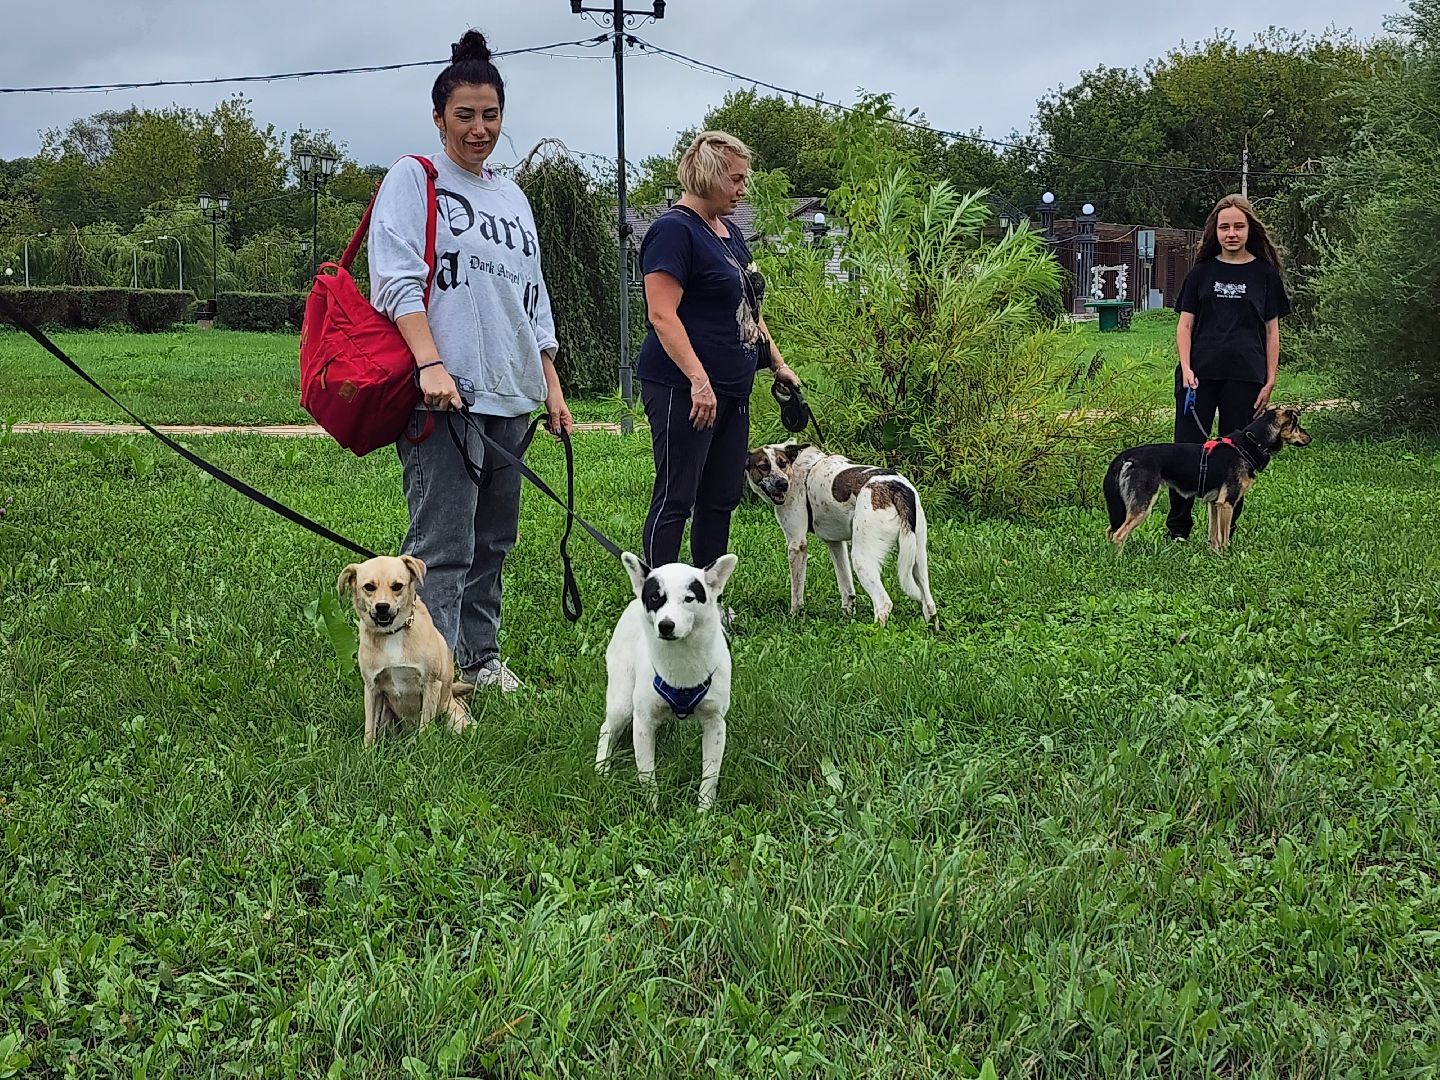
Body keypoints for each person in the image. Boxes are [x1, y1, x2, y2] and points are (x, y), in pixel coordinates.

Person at [367, 29, 573, 691]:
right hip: (447, 398)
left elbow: (533, 297)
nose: (479, 129)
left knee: (492, 545)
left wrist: (553, 383)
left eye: (490, 115)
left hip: (513, 397)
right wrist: (429, 362)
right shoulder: (414, 177)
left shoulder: (513, 199)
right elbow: (396, 277)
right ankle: (432, 675)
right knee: (442, 549)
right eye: (465, 116)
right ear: (439, 118)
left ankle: (479, 659)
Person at [637, 130, 801, 572]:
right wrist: (698, 380)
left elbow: (747, 306)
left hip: (733, 388)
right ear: (708, 177)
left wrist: (777, 363)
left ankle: (706, 598)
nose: (743, 190)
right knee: (678, 494)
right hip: (683, 387)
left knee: (720, 496)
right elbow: (661, 315)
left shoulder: (729, 233)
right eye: (736, 180)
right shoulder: (672, 232)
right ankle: (656, 596)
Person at [1167, 193, 1290, 542]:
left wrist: (1269, 380)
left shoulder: (1265, 275)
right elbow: (1185, 325)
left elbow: (1271, 331)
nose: (1231, 233)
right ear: (1214, 232)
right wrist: (1187, 368)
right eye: (1224, 227)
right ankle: (1178, 530)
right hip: (1199, 377)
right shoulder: (1201, 273)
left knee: (1237, 457)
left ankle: (1225, 532)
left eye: (1238, 226)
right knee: (1187, 452)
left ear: (1250, 229)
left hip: (1245, 376)